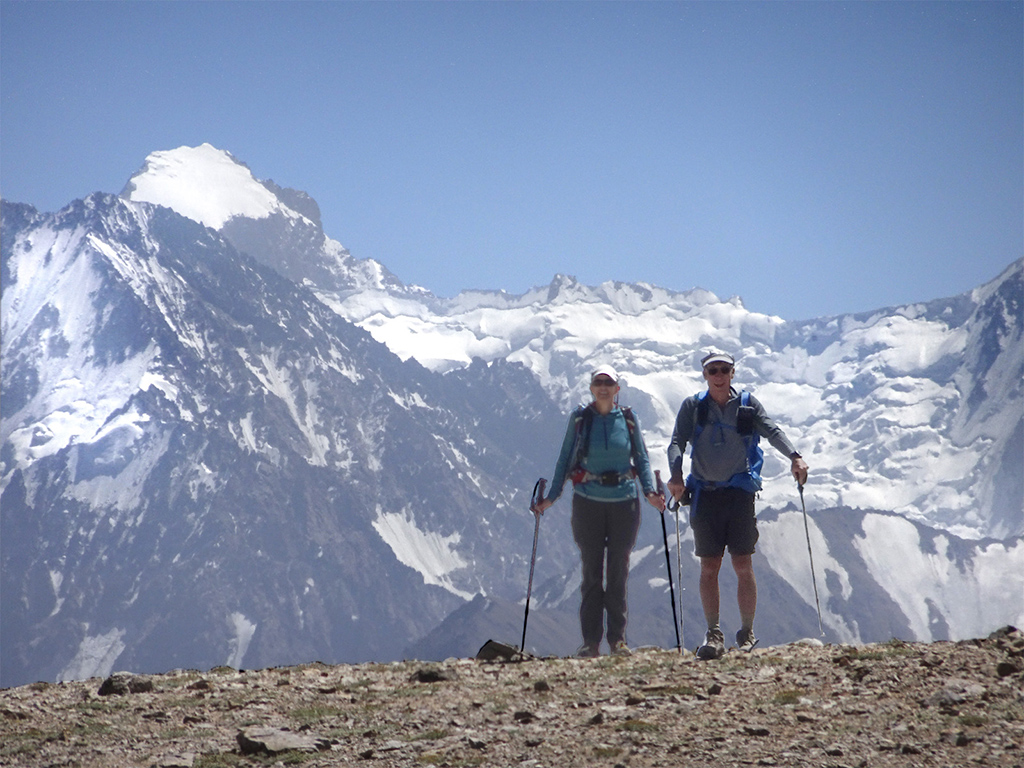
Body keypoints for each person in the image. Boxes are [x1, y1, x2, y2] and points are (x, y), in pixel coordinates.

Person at [667, 351, 809, 659]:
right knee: (710, 566)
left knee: (742, 563)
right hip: (705, 494)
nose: (719, 375)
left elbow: (771, 431)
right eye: (713, 370)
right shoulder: (693, 406)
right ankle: (714, 632)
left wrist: (794, 456)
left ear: (733, 372)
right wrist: (675, 474)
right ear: (705, 375)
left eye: (724, 369)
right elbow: (677, 441)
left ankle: (746, 632)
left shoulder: (747, 405)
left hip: (739, 494)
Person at [534, 366, 665, 658]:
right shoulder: (580, 419)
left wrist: (649, 491)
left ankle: (617, 641)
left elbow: (642, 458)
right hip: (588, 504)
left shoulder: (628, 419)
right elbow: (565, 458)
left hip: (624, 503)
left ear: (617, 389)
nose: (603, 387)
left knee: (617, 572)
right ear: (592, 388)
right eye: (598, 382)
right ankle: (591, 643)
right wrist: (551, 497)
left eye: (609, 382)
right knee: (592, 572)